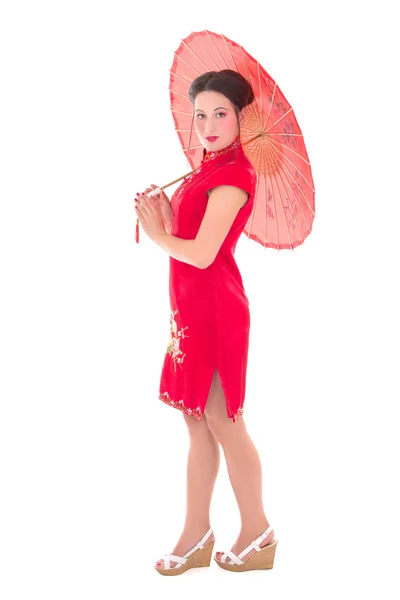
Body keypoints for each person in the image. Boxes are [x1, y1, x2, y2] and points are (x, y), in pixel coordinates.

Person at [134, 69, 278, 575]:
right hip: (189, 310)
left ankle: (257, 530)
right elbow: (189, 236)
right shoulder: (203, 169)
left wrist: (158, 236)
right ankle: (197, 534)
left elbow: (201, 254)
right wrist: (165, 215)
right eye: (201, 114)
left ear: (244, 118)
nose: (209, 124)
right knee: (196, 421)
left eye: (221, 113)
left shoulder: (236, 175)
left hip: (216, 310)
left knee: (223, 420)